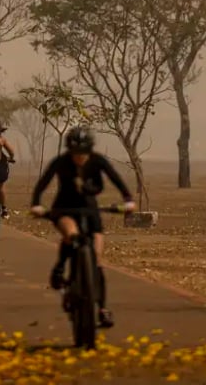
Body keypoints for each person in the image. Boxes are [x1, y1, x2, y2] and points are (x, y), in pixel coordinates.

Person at [30, 126, 135, 329]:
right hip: (64, 208)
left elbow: (116, 180)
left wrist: (128, 200)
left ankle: (102, 309)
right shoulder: (61, 162)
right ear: (69, 150)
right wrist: (36, 204)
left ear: (90, 150)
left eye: (83, 153)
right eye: (75, 153)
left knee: (97, 260)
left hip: (90, 210)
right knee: (72, 234)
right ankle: (60, 267)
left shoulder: (98, 161)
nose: (79, 157)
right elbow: (42, 184)